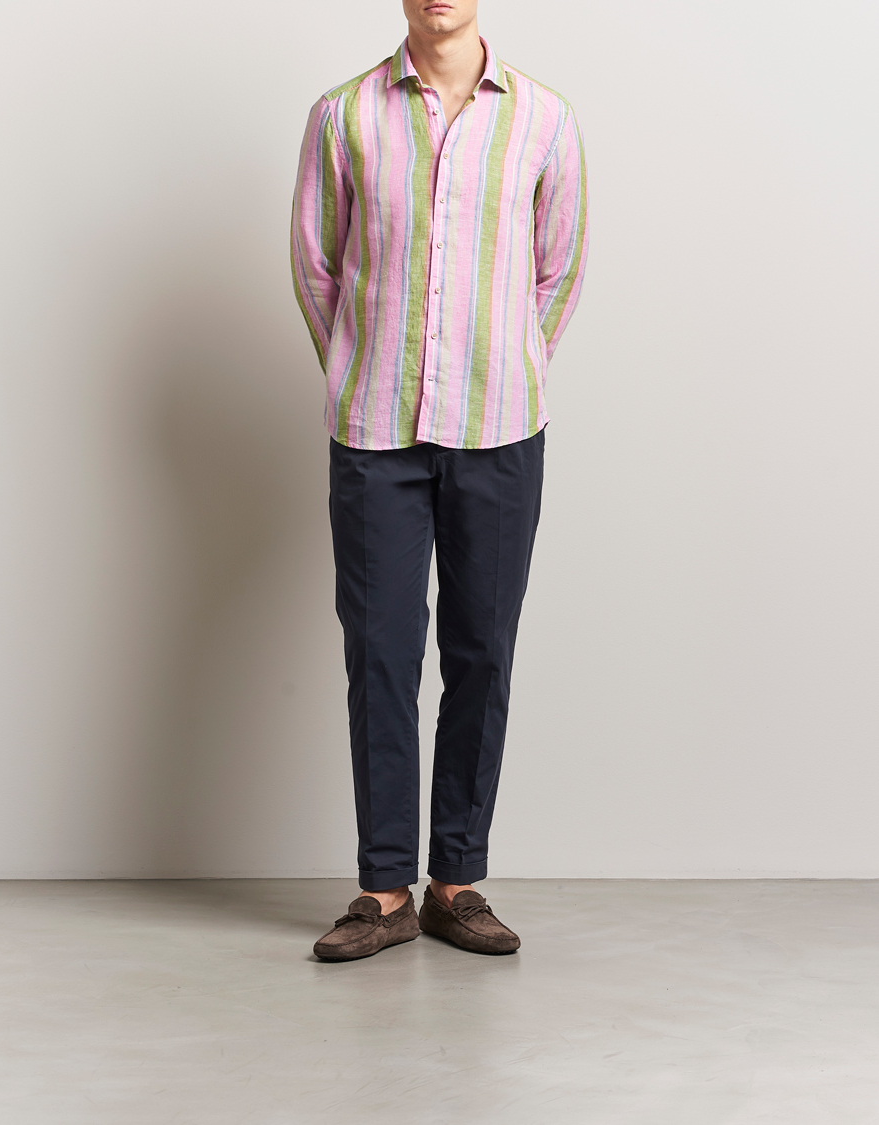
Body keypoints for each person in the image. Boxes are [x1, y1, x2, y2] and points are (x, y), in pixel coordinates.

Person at [290, 0, 588, 961]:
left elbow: (558, 272)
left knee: (482, 651)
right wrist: (357, 366)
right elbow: (316, 264)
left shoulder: (545, 118)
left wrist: (509, 366)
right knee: (379, 652)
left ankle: (456, 881)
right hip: (374, 430)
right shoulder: (343, 114)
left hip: (500, 426)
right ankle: (384, 890)